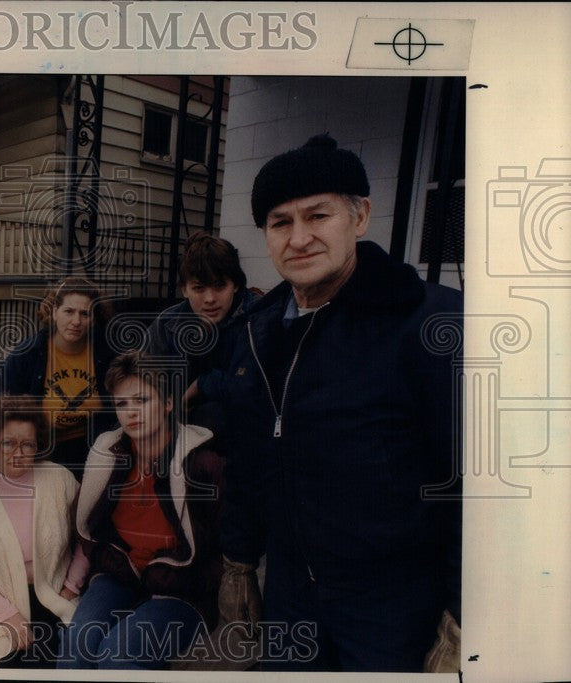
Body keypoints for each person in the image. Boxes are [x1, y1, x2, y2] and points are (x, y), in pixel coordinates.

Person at [195, 134, 462, 672]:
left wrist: (464, 610)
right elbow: (250, 457)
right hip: (291, 595)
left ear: (359, 217)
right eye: (280, 222)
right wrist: (240, 560)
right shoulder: (255, 332)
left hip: (391, 603)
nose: (299, 238)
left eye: (318, 216)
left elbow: (471, 482)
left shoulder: (430, 323)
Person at [59, 351, 225, 670]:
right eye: (122, 404)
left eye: (142, 400)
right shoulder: (109, 454)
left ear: (167, 404)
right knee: (76, 645)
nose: (132, 412)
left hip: (181, 589)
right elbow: (91, 528)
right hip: (121, 574)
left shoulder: (202, 464)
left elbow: (227, 537)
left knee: (116, 655)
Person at [0, 394, 89, 668]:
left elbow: (86, 535)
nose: (18, 453)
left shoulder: (60, 480)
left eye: (27, 444)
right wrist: (6, 614)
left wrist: (71, 586)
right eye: (8, 443)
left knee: (54, 663)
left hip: (52, 595)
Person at [2, 277, 116, 480]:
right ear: (54, 311)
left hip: (91, 448)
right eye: (69, 311)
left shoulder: (106, 355)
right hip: (41, 449)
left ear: (93, 318)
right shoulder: (25, 356)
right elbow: (3, 413)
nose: (76, 322)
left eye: (85, 314)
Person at [147, 231, 259, 433]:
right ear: (185, 290)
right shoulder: (166, 325)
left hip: (243, 438)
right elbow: (140, 387)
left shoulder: (259, 320)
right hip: (175, 433)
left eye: (219, 286)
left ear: (235, 285)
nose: (210, 299)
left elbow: (257, 390)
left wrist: (204, 384)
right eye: (199, 288)